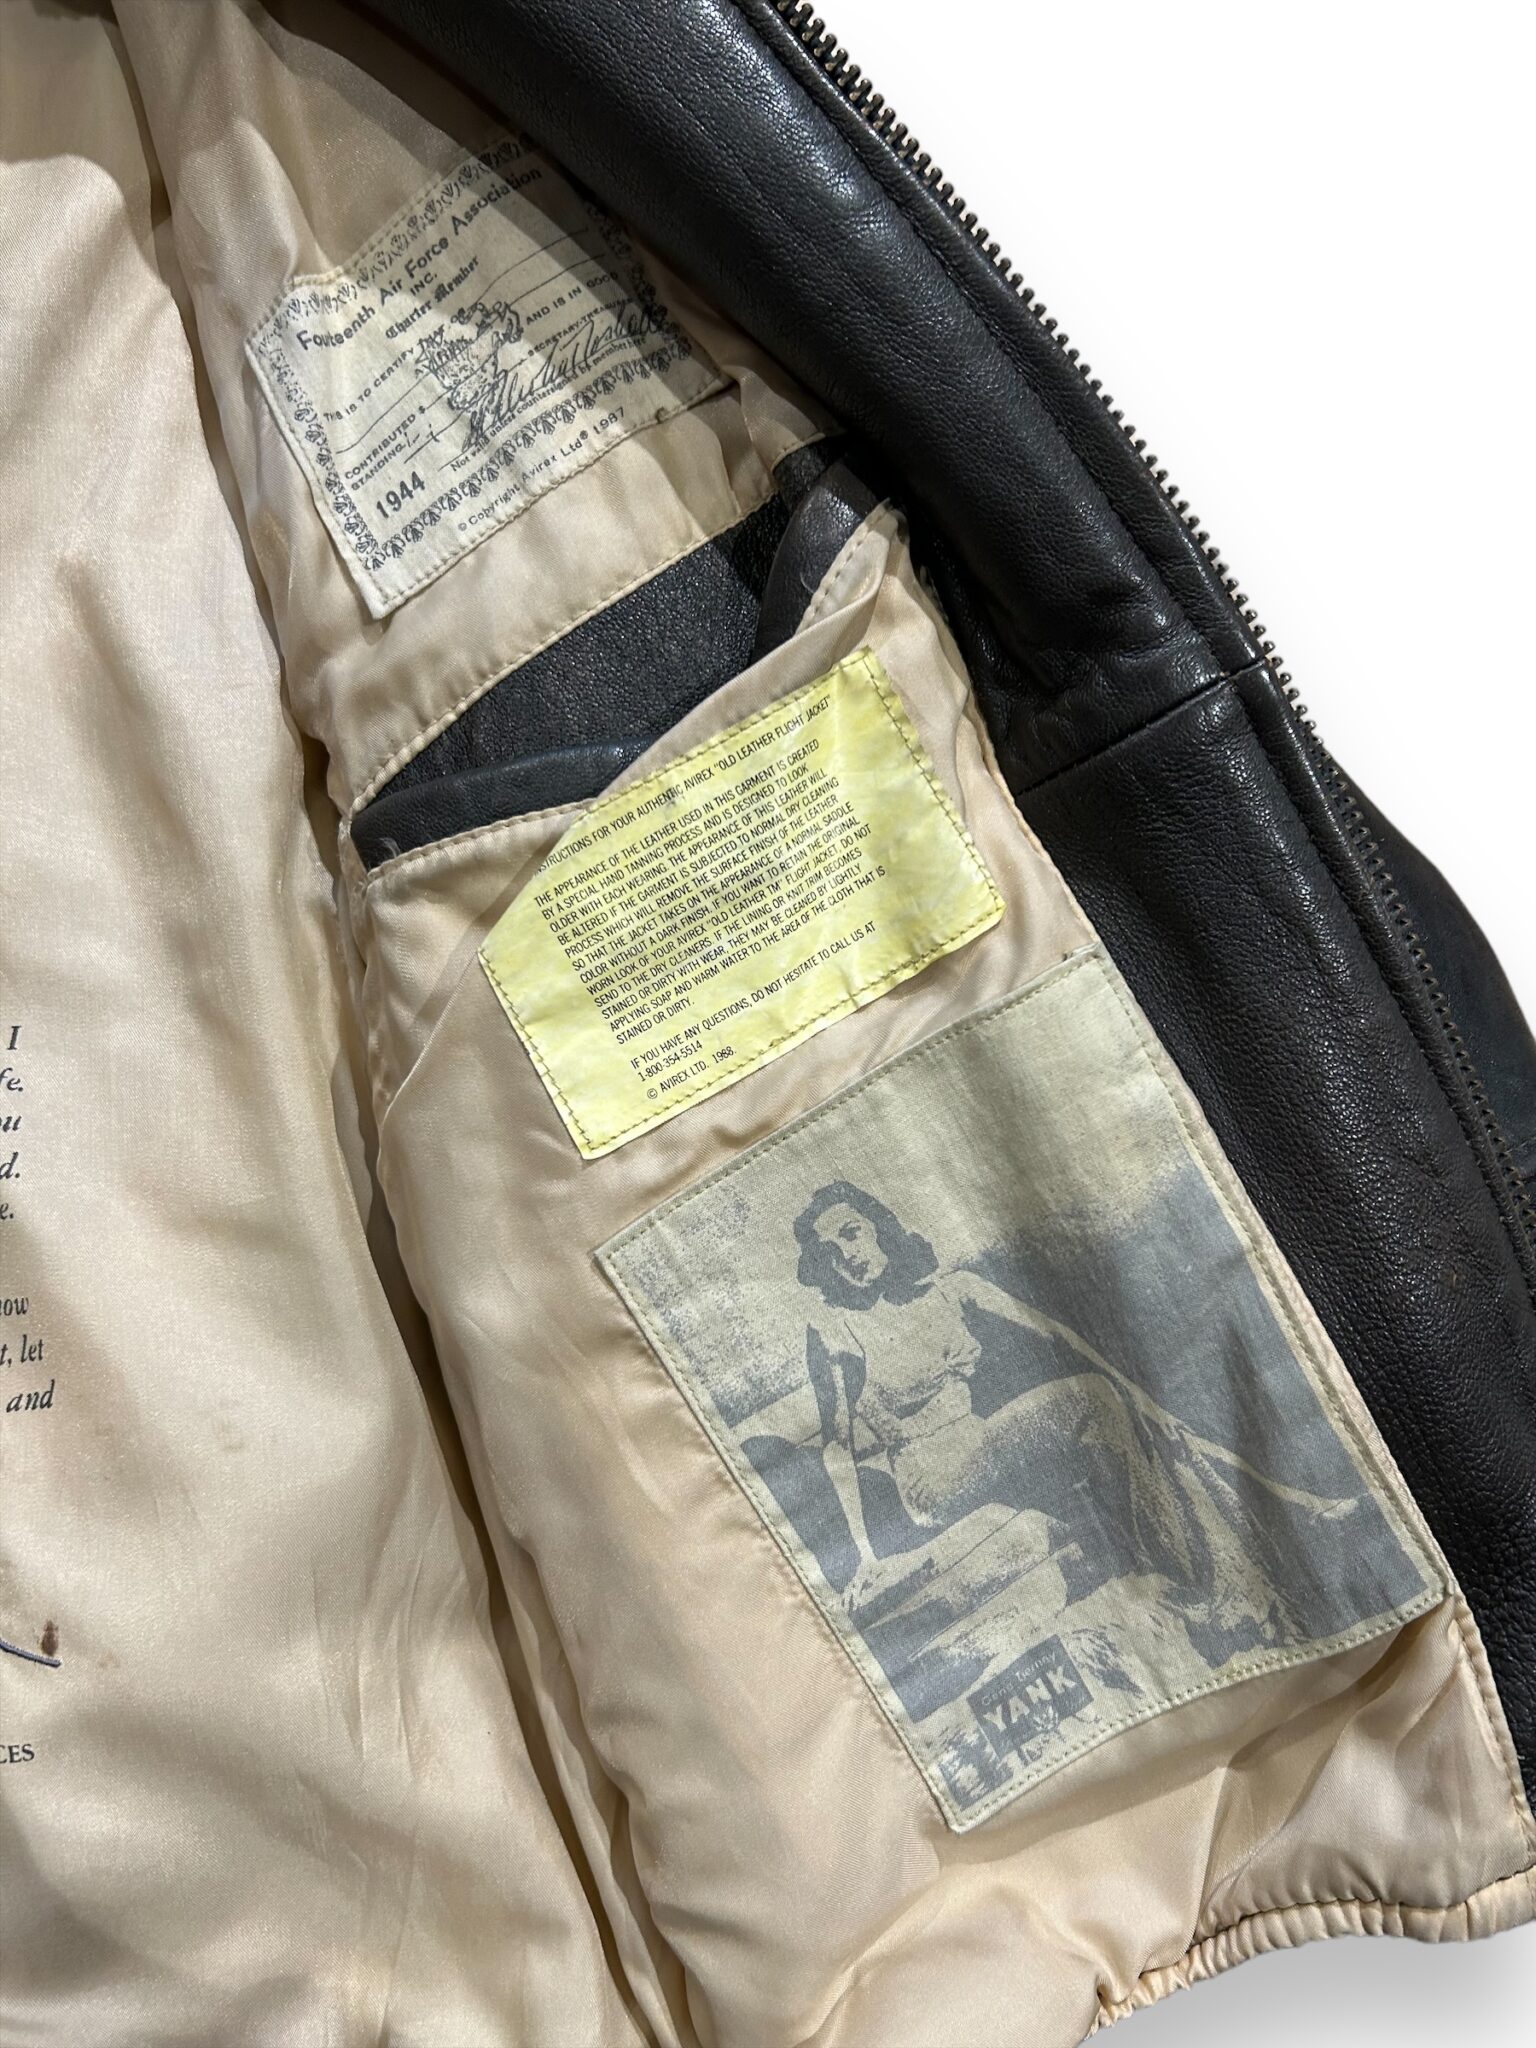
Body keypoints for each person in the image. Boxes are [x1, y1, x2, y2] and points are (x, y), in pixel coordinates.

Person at [792, 1181, 1358, 1662]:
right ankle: (1237, 1569)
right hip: (935, 1479)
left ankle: (1251, 1565)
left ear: (879, 1228)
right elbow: (836, 1447)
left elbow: (1058, 1335)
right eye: (828, 1251)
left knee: (1139, 1424)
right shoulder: (836, 1331)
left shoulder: (951, 1290)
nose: (847, 1255)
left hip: (987, 1444)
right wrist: (864, 1558)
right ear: (821, 1268)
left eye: (852, 1233)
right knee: (1093, 1401)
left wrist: (1145, 1403)